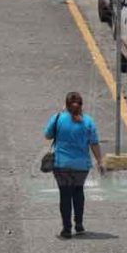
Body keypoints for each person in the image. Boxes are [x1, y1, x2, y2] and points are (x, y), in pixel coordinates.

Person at [43, 92, 105, 239]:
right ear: (81, 105)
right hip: (81, 166)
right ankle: (79, 225)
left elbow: (48, 135)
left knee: (65, 195)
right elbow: (94, 143)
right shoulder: (88, 122)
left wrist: (61, 114)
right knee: (78, 192)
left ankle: (66, 229)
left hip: (61, 164)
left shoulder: (58, 118)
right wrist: (100, 161)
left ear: (66, 105)